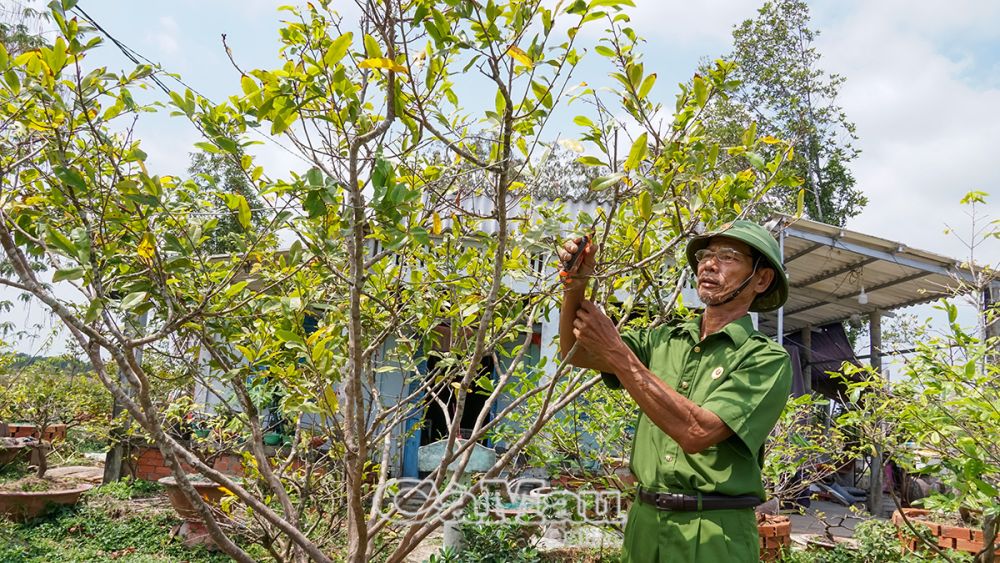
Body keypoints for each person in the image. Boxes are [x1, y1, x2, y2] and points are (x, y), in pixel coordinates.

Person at [558, 221, 792, 562]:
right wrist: (576, 284)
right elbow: (575, 353)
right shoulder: (665, 339)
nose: (710, 264)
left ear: (761, 279)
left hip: (714, 531)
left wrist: (618, 354)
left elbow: (697, 432)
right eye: (706, 255)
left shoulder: (765, 359)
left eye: (728, 256)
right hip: (645, 522)